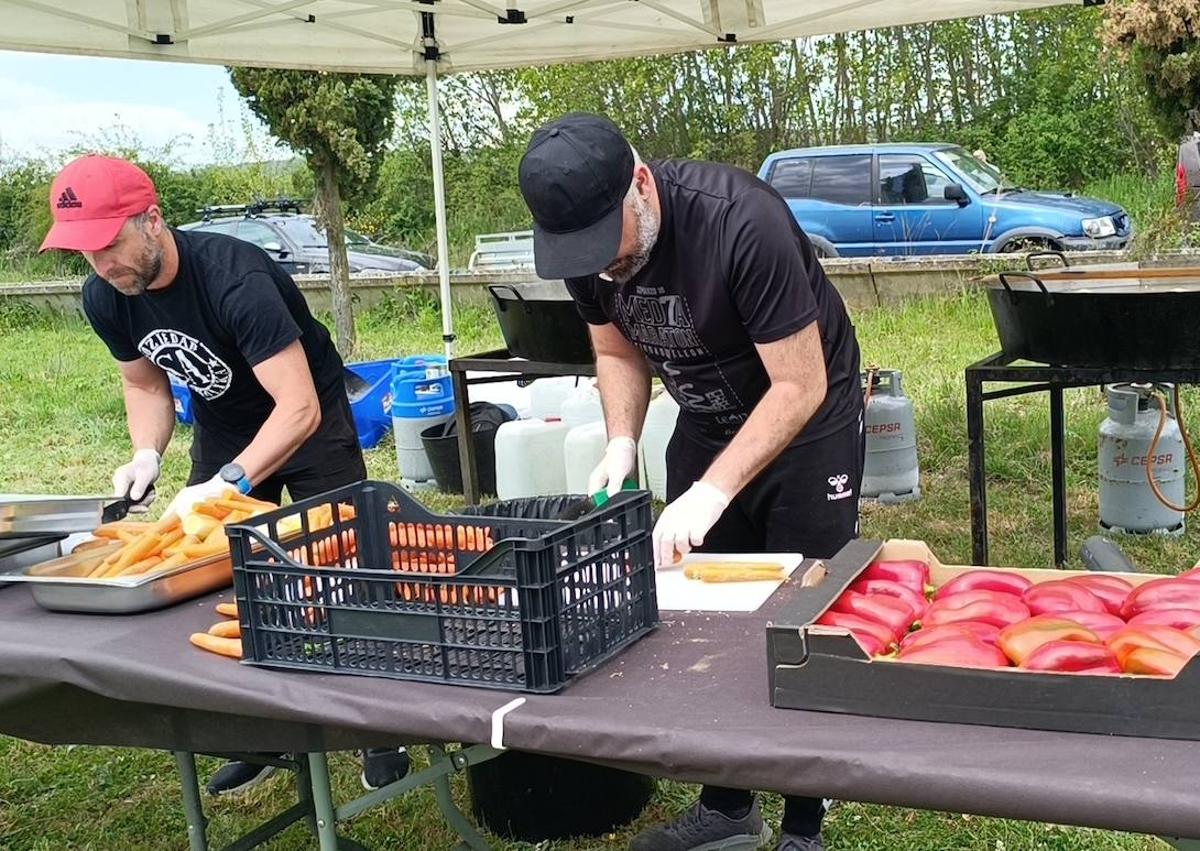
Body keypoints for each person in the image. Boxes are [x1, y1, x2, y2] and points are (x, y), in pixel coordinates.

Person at [518, 114, 865, 851]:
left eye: (608, 252)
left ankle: (806, 825)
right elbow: (614, 349)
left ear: (640, 185)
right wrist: (620, 439)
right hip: (708, 418)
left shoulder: (742, 222)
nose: (603, 270)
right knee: (702, 613)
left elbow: (799, 385)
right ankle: (729, 805)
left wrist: (714, 490)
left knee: (800, 612)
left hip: (808, 418)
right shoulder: (588, 245)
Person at [39, 154, 409, 797]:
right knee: (226, 571)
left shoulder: (234, 277)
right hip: (226, 425)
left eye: (109, 244)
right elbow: (143, 382)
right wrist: (147, 453)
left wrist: (230, 480)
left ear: (152, 221)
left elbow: (298, 406)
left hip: (309, 418)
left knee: (347, 563)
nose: (102, 265)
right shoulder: (107, 295)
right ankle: (258, 729)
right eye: (86, 252)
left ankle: (379, 727)